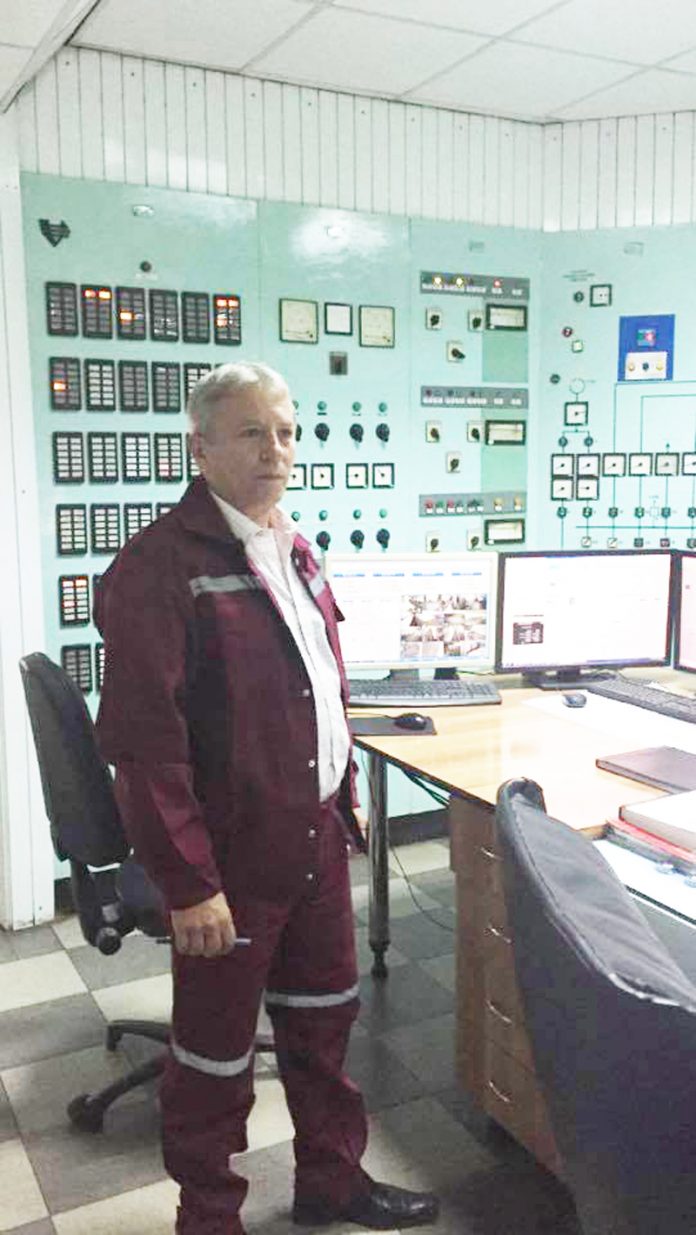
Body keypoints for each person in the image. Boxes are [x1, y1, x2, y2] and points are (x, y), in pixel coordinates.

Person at [94, 361, 439, 1235]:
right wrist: (189, 884)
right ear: (201, 447)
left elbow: (317, 688)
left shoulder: (294, 547)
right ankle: (208, 1216)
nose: (275, 450)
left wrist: (345, 797)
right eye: (252, 432)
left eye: (286, 432)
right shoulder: (158, 568)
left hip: (314, 837)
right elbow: (144, 750)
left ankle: (332, 1181)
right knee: (215, 1057)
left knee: (324, 1026)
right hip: (231, 859)